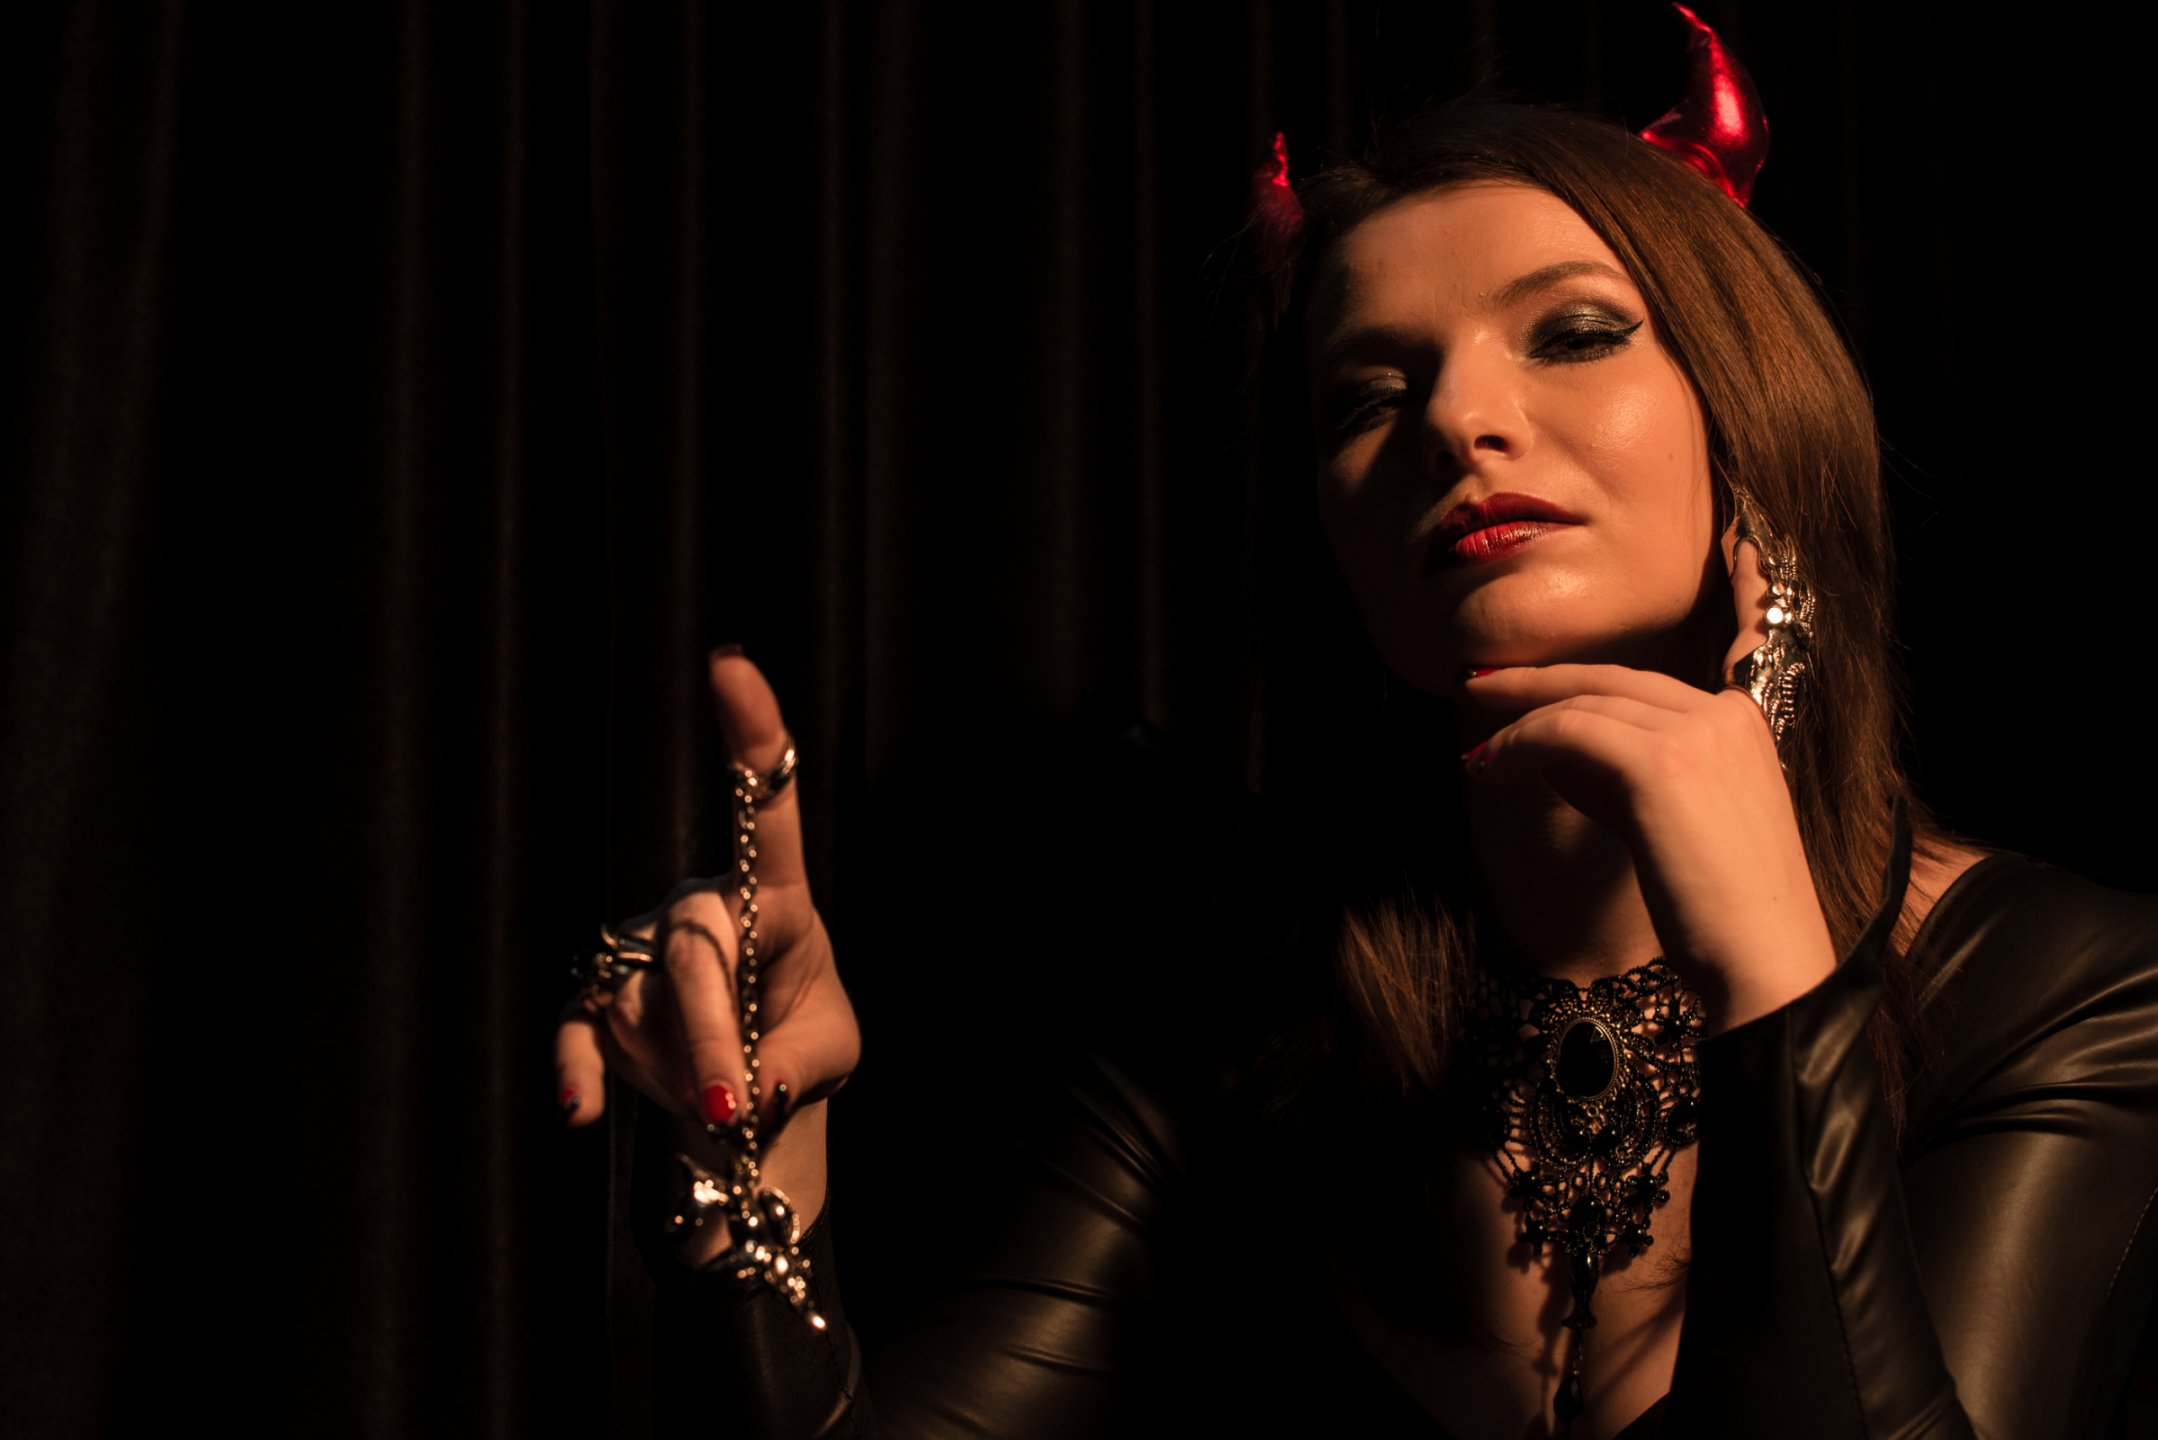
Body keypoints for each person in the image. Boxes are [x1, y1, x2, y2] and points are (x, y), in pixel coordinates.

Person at [553, 88, 2158, 1440]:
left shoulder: (2069, 990)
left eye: (1573, 333)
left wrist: (1765, 977)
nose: (1457, 418)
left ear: (1751, 417)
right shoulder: (1240, 1004)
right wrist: (750, 1183)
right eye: (1364, 396)